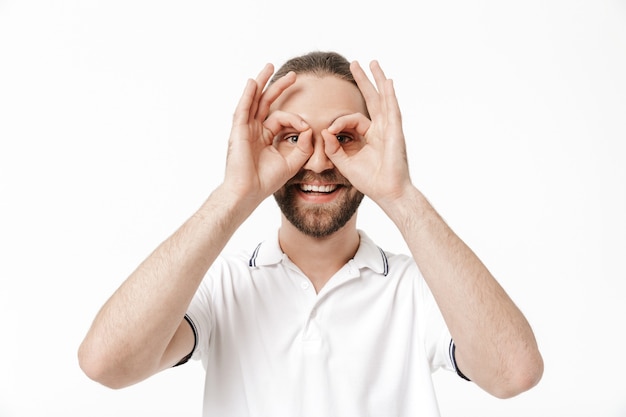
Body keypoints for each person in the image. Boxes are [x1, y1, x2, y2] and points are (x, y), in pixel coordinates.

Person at [78, 51, 543, 416]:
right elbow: (106, 365)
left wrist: (400, 195)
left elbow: (514, 374)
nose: (319, 161)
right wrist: (234, 193)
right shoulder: (223, 286)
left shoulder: (417, 289)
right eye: (291, 137)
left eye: (344, 137)